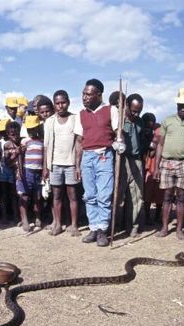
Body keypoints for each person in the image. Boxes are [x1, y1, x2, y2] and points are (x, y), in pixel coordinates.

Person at [74, 78, 121, 247]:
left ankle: (102, 230)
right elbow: (79, 141)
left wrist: (119, 142)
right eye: (83, 94)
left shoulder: (111, 110)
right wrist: (77, 165)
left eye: (88, 94)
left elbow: (118, 133)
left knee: (104, 195)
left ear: (99, 95)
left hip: (104, 156)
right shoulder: (81, 114)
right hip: (87, 157)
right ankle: (93, 227)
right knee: (89, 196)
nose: (84, 97)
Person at [154, 88, 184, 240]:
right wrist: (156, 166)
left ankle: (179, 230)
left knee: (182, 197)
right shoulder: (167, 120)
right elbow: (160, 144)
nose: (183, 108)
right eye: (180, 105)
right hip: (167, 163)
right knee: (167, 196)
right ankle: (164, 227)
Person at [43, 90, 80, 236]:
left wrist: (77, 165)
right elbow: (46, 146)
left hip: (70, 164)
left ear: (68, 102)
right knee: (56, 195)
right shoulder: (50, 121)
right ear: (54, 104)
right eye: (57, 103)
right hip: (55, 164)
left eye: (63, 102)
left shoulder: (75, 119)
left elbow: (79, 143)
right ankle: (57, 224)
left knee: (73, 196)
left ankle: (74, 225)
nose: (60, 106)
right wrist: (46, 167)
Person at [118, 93, 144, 237]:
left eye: (139, 111)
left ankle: (132, 226)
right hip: (122, 160)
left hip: (137, 160)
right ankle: (114, 225)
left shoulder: (140, 122)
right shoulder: (120, 121)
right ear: (127, 106)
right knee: (118, 194)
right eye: (133, 110)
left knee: (136, 195)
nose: (136, 113)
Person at [17, 115, 44, 232]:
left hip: (38, 172)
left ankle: (38, 217)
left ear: (38, 128)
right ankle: (25, 219)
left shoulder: (42, 141)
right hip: (26, 171)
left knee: (37, 197)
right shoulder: (24, 141)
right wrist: (19, 171)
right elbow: (20, 157)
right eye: (29, 129)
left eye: (34, 129)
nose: (32, 131)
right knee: (24, 196)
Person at [142, 113, 163, 224]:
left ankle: (157, 216)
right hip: (148, 166)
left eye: (152, 121)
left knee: (160, 191)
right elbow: (150, 153)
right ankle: (147, 216)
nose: (150, 123)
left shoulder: (157, 132)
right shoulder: (143, 133)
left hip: (158, 165)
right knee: (148, 192)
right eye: (147, 121)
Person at [3, 121, 22, 224]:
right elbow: (7, 162)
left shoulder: (23, 143)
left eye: (17, 134)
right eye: (12, 135)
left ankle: (21, 216)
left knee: (21, 195)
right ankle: (14, 216)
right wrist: (16, 154)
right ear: (8, 134)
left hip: (22, 172)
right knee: (13, 195)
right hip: (12, 173)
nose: (15, 137)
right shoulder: (7, 145)